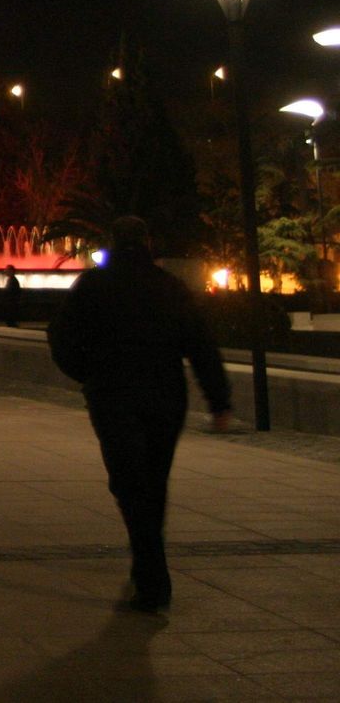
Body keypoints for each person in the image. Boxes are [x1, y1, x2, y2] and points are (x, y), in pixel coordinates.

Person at [48, 216, 233, 613]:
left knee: (128, 483)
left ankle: (151, 576)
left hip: (113, 395)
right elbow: (201, 344)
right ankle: (150, 570)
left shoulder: (93, 286)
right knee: (154, 480)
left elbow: (61, 338)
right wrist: (218, 401)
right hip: (165, 395)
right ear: (147, 242)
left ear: (112, 243)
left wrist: (87, 374)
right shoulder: (169, 286)